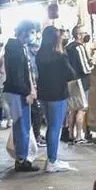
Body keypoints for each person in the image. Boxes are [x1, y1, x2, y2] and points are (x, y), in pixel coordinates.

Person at [36, 25, 77, 173]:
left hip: (44, 94)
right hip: (58, 94)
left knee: (50, 127)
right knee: (55, 127)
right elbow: (71, 74)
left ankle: (51, 158)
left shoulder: (40, 54)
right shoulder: (60, 55)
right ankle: (52, 161)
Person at [3, 20, 41, 172]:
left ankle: (22, 157)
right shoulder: (15, 49)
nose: (31, 35)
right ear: (22, 32)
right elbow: (18, 74)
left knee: (22, 125)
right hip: (18, 93)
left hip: (17, 91)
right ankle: (22, 159)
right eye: (29, 32)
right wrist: (27, 92)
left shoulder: (17, 47)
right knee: (22, 126)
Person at [66, 25, 94, 145]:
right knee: (82, 109)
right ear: (78, 35)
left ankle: (70, 134)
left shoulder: (68, 47)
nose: (86, 35)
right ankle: (79, 137)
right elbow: (86, 68)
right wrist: (93, 62)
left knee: (72, 109)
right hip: (81, 82)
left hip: (70, 82)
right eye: (84, 33)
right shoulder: (79, 48)